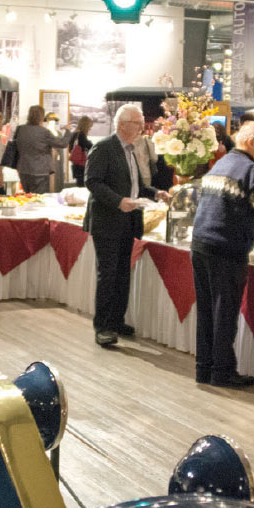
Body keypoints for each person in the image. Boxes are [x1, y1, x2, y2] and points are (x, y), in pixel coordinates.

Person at [191, 122, 254, 387]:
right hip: (227, 249)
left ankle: (204, 368)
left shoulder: (222, 163)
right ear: (252, 143)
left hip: (201, 244)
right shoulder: (252, 171)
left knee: (206, 312)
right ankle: (223, 372)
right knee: (225, 313)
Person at [84, 104, 170, 347]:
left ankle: (117, 320)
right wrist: (118, 201)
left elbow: (135, 186)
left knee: (122, 273)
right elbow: (92, 182)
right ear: (122, 125)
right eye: (138, 123)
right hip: (107, 221)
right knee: (108, 274)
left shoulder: (132, 150)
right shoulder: (104, 148)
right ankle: (103, 327)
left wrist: (155, 193)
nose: (142, 128)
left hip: (128, 220)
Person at [14, 105, 73, 193]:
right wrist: (68, 131)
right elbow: (62, 143)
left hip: (23, 169)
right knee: (39, 198)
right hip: (40, 170)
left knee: (28, 195)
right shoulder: (43, 132)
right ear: (41, 117)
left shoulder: (20, 129)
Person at [68, 116, 93, 187]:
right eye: (89, 126)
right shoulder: (81, 135)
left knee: (79, 184)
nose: (90, 128)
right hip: (81, 165)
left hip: (76, 164)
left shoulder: (75, 134)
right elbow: (89, 146)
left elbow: (71, 149)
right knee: (82, 185)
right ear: (86, 125)